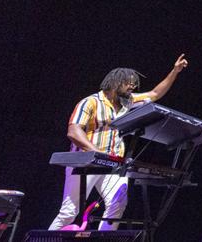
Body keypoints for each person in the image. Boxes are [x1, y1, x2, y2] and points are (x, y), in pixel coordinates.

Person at [49, 55, 189, 230]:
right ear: (115, 83)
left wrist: (175, 71)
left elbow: (154, 94)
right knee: (69, 212)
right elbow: (74, 131)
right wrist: (97, 152)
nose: (133, 87)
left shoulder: (127, 102)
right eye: (129, 83)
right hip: (85, 162)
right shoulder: (90, 102)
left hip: (112, 164)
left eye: (134, 84)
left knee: (118, 203)